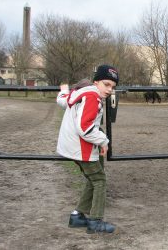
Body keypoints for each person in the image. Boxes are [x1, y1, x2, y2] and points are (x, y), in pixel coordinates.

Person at [56, 65, 119, 234]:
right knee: (99, 180)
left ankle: (77, 216)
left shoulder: (80, 93)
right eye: (106, 84)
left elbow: (63, 100)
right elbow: (85, 128)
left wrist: (63, 90)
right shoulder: (93, 97)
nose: (109, 89)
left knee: (93, 179)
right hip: (81, 147)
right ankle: (95, 221)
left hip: (71, 146)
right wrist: (104, 141)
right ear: (96, 82)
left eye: (113, 87)